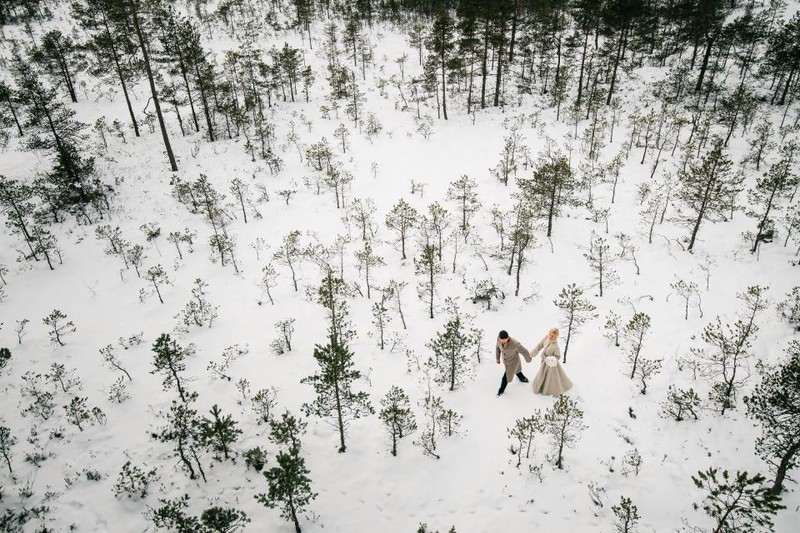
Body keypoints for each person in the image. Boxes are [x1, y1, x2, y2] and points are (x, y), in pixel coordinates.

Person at [531, 327, 573, 396]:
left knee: (548, 377)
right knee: (542, 374)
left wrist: (550, 360)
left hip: (550, 365)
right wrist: (533, 353)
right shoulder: (546, 338)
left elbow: (558, 357)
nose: (550, 336)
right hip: (543, 360)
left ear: (556, 336)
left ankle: (546, 389)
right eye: (550, 334)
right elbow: (540, 345)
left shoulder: (555, 346)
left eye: (552, 336)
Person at [495, 330, 531, 396]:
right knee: (517, 370)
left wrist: (528, 360)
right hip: (506, 361)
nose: (502, 341)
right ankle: (522, 378)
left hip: (513, 362)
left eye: (504, 340)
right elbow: (497, 348)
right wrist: (497, 358)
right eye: (501, 340)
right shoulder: (498, 339)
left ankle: (501, 390)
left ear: (508, 337)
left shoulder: (515, 344)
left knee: (505, 377)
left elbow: (525, 351)